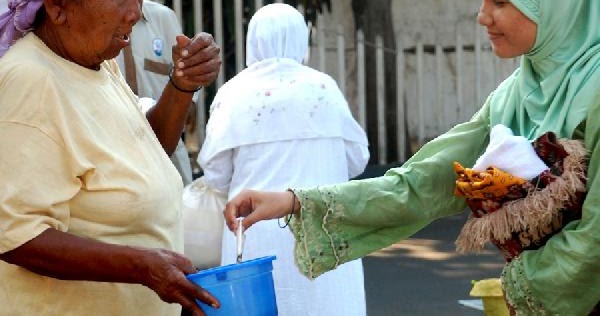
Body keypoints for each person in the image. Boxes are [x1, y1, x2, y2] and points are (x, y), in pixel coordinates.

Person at [224, 1, 600, 315]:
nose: (482, 16)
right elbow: (424, 182)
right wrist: (294, 201)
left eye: (501, 2)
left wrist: (526, 285)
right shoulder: (513, 95)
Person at [0, 0, 221, 315]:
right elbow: (16, 235)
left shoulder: (97, 64)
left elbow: (145, 153)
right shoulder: (31, 81)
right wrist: (142, 266)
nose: (134, 12)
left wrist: (181, 85)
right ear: (57, 8)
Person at [198, 3, 370, 315]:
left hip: (254, 233)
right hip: (323, 232)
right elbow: (357, 159)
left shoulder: (234, 92)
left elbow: (215, 174)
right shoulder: (323, 88)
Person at [116, 0, 195, 186]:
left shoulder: (163, 17)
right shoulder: (96, 22)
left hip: (166, 148)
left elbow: (186, 75)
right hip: (116, 145)